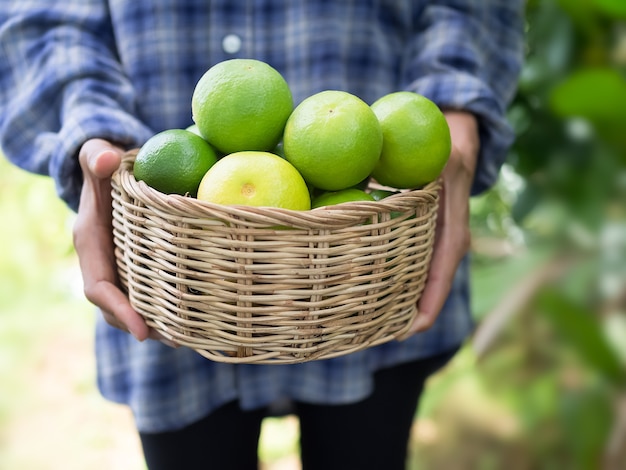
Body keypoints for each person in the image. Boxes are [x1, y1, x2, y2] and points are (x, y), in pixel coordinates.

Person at [0, 1, 524, 469]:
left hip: (366, 268)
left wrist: (456, 121)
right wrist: (94, 140)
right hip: (180, 273)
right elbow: (44, 13)